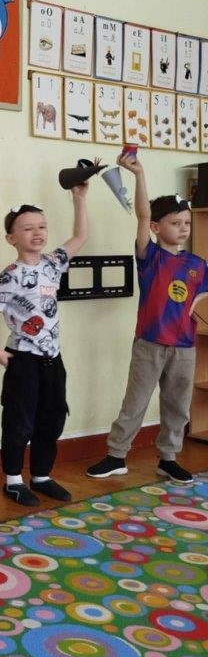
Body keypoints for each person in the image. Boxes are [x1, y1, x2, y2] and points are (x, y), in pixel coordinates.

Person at [87, 155, 208, 484]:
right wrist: (139, 174)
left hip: (185, 348)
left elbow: (201, 299)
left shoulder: (198, 265)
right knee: (135, 402)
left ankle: (168, 459)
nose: (183, 228)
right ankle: (116, 456)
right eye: (175, 223)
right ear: (156, 228)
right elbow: (142, 213)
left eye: (186, 223)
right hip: (150, 344)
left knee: (178, 406)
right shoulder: (150, 257)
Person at [0, 186, 89, 506]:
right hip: (24, 360)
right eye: (27, 228)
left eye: (41, 226)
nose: (37, 233)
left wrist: (79, 198)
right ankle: (13, 480)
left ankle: (41, 475)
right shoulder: (11, 275)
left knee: (53, 417)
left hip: (52, 358)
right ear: (11, 238)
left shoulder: (53, 263)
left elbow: (80, 236)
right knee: (19, 420)